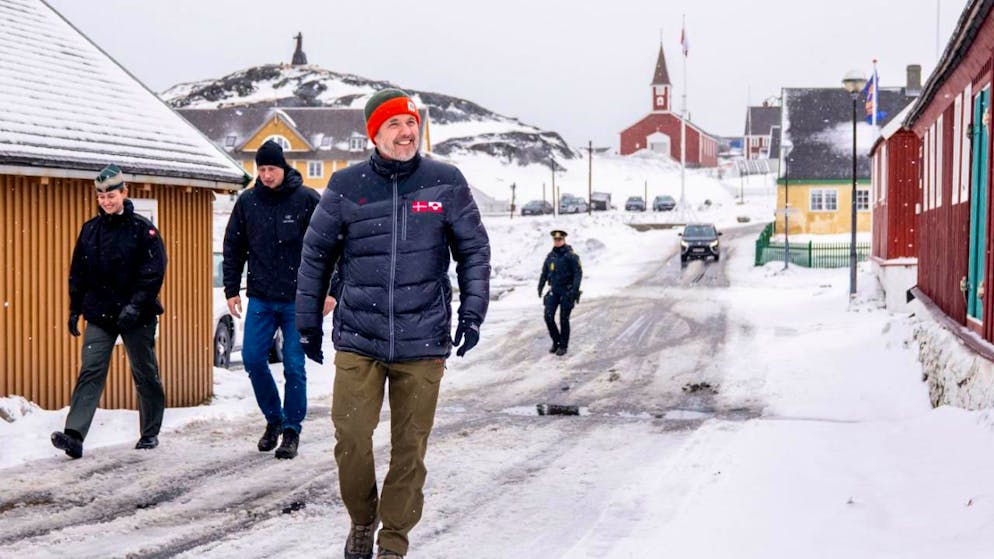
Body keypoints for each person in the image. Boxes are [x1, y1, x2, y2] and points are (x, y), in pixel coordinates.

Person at [295, 89, 491, 559]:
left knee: (410, 447)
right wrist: (307, 323)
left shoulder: (446, 181)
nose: (406, 133)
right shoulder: (346, 186)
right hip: (359, 338)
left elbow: (473, 252)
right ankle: (363, 519)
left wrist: (472, 312)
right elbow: (316, 253)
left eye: (410, 123)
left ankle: (394, 541)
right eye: (394, 125)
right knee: (351, 439)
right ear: (375, 134)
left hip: (423, 341)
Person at [50, 164, 168, 459]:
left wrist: (135, 306)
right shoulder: (90, 230)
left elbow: (153, 273)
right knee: (91, 369)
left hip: (136, 315)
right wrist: (75, 309)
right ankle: (74, 435)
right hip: (100, 314)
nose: (105, 200)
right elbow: (78, 273)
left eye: (110, 194)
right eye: (101, 196)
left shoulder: (144, 230)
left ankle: (150, 431)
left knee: (144, 372)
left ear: (124, 193)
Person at [222, 139, 322, 460]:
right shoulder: (248, 202)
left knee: (294, 365)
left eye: (271, 169)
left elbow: (327, 246)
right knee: (252, 359)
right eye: (261, 169)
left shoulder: (307, 200)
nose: (266, 175)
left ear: (283, 167)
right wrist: (231, 289)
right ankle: (274, 419)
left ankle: (292, 429)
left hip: (298, 300)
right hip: (262, 298)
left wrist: (329, 290)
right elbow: (233, 246)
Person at [538, 229, 582, 356]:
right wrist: (540, 286)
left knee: (564, 319)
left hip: (566, 291)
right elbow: (545, 272)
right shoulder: (551, 256)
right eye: (555, 239)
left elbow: (578, 273)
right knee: (548, 316)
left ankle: (563, 345)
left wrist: (574, 290)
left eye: (559, 239)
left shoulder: (571, 256)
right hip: (554, 290)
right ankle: (556, 341)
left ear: (564, 240)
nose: (557, 241)